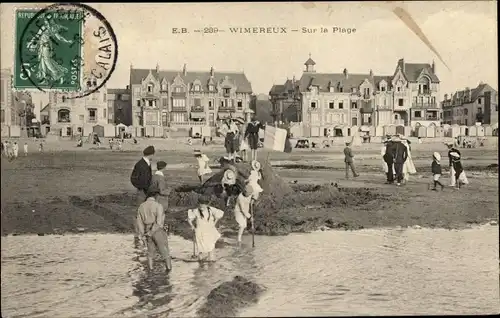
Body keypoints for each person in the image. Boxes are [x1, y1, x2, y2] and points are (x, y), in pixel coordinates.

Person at [136, 186, 172, 273]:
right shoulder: (158, 206)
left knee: (150, 253)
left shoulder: (141, 206)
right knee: (165, 252)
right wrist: (152, 232)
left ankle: (151, 271)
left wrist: (143, 234)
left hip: (147, 229)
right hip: (157, 230)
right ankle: (169, 270)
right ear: (156, 196)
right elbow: (159, 223)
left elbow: (139, 222)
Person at [187, 195, 224, 262]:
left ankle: (211, 262)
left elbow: (219, 214)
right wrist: (192, 226)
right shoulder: (196, 211)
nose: (201, 206)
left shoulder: (211, 209)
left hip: (210, 231)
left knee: (211, 247)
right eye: (200, 204)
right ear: (198, 203)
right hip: (200, 232)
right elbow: (189, 219)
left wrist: (214, 223)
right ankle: (201, 262)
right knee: (201, 249)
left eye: (203, 204)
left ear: (207, 204)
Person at [131, 146, 155, 238]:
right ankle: (137, 233)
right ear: (151, 154)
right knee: (139, 212)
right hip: (143, 191)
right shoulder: (141, 164)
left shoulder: (144, 163)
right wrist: (140, 187)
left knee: (144, 211)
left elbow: (133, 178)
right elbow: (133, 178)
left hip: (146, 191)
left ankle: (142, 231)